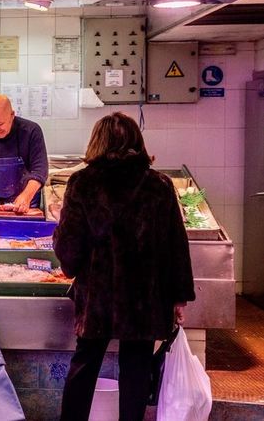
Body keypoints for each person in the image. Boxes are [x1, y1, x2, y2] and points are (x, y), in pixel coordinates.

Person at [54, 112, 195, 421]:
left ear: (97, 141)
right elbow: (175, 246)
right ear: (136, 141)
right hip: (143, 299)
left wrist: (71, 267)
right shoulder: (159, 185)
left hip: (97, 297)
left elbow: (69, 245)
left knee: (85, 362)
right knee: (137, 366)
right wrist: (179, 296)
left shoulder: (82, 183)